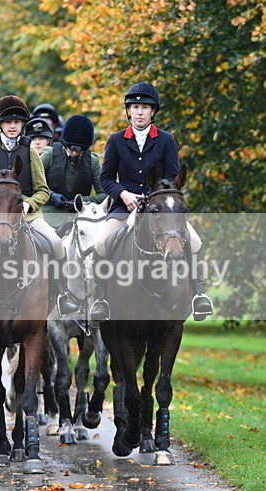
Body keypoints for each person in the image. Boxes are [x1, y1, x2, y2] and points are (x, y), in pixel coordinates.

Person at [0, 95, 81, 326]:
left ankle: (63, 295)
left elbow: (43, 190)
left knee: (55, 244)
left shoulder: (31, 152)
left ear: (22, 125)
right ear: (0, 124)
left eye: (17, 122)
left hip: (27, 215)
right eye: (8, 122)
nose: (12, 126)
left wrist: (29, 204)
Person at [89, 82, 213, 321]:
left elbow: (173, 176)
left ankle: (199, 295)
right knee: (102, 243)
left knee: (195, 242)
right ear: (128, 111)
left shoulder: (166, 139)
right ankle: (100, 298)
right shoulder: (116, 140)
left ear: (152, 111)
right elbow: (106, 178)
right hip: (125, 207)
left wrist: (155, 196)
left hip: (161, 208)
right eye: (135, 107)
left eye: (145, 107)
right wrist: (123, 194)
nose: (139, 112)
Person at [40, 114, 106, 228]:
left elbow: (104, 194)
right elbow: (31, 182)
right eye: (71, 148)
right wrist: (51, 196)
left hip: (81, 220)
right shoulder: (49, 154)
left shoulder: (93, 161)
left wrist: (81, 201)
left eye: (79, 150)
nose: (75, 153)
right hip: (48, 219)